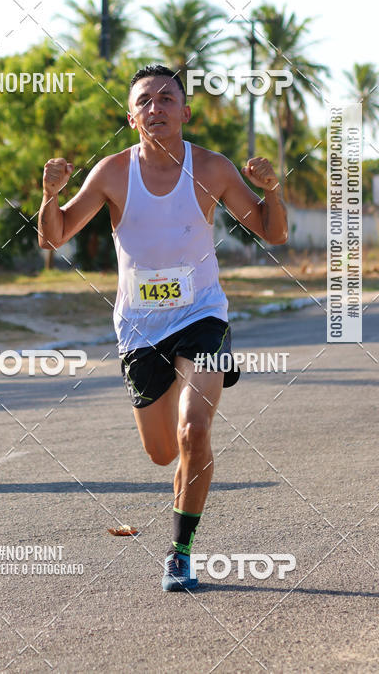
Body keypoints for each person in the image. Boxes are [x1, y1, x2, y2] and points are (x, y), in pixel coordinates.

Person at [38, 64, 287, 591]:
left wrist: (273, 190)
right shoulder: (111, 172)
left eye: (167, 98)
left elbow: (272, 231)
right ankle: (181, 459)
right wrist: (49, 194)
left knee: (195, 431)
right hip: (140, 328)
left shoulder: (213, 168)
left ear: (185, 112)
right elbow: (54, 237)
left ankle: (180, 552)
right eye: (145, 100)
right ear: (132, 117)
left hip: (203, 317)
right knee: (162, 453)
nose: (157, 107)